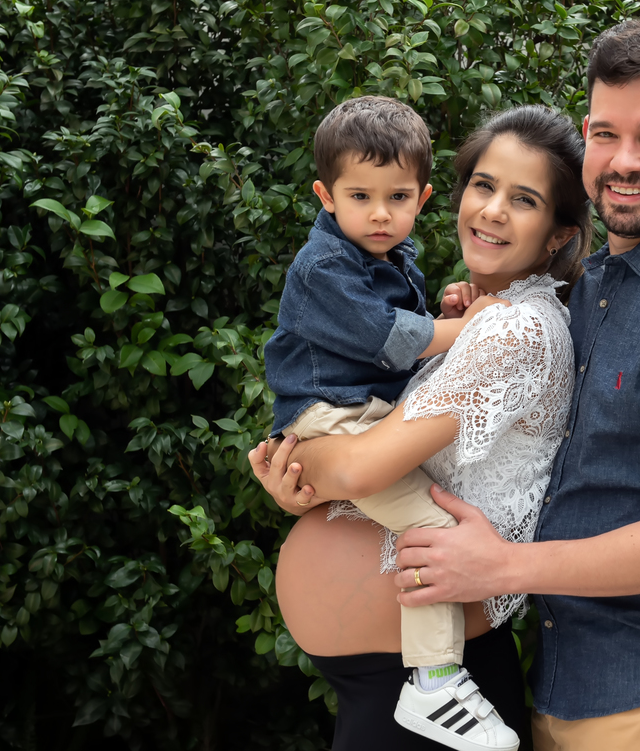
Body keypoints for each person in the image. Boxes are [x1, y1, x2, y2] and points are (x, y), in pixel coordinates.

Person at [388, 19, 640, 750]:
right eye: (606, 134)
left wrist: (501, 566)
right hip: (563, 689)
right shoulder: (591, 285)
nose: (624, 160)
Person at [249, 105, 594, 751]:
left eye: (524, 199)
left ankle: (437, 680)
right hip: (389, 680)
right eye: (484, 185)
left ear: (557, 235)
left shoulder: (512, 327)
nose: (493, 210)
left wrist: (295, 463)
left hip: (436, 691)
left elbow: (358, 467)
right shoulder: (484, 313)